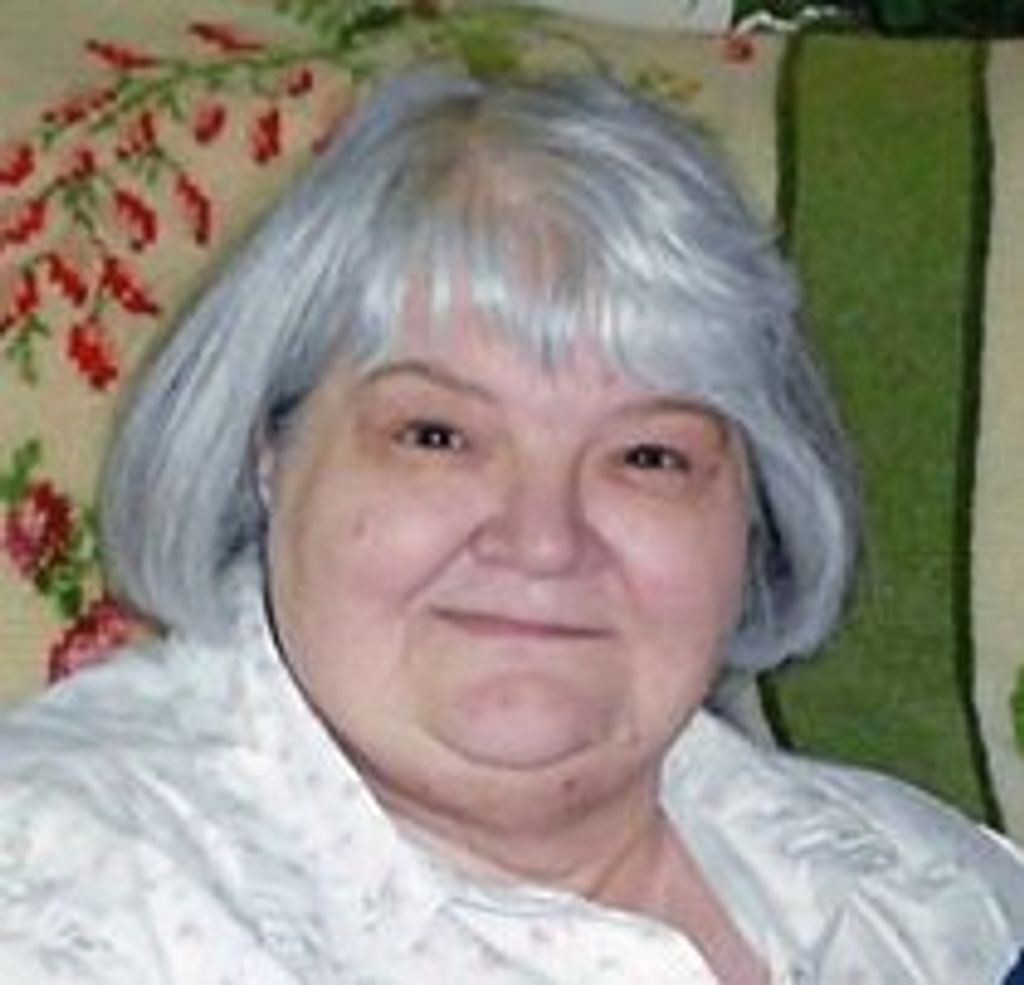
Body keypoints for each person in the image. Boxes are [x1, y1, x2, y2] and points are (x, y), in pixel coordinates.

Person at [0, 69, 1021, 984]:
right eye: (438, 435)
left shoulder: (936, 895)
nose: (543, 540)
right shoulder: (59, 886)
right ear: (269, 451)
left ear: (751, 511)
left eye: (647, 455)